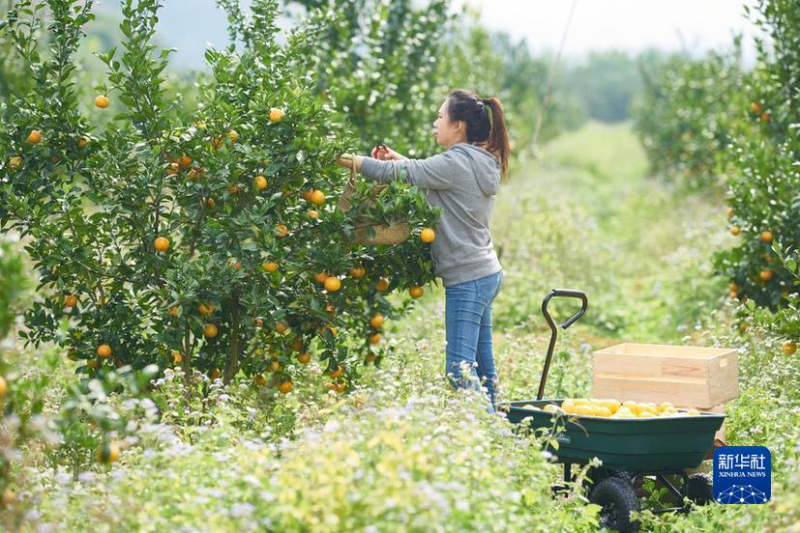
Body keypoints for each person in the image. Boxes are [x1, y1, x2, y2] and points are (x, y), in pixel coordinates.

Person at [336, 89, 509, 412]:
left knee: (458, 372)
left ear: (458, 126)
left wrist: (343, 159)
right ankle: (502, 431)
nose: (435, 122)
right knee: (484, 371)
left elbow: (402, 174)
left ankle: (491, 433)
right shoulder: (479, 159)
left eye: (441, 116)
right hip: (486, 272)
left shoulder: (455, 163)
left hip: (468, 278)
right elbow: (426, 172)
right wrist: (398, 159)